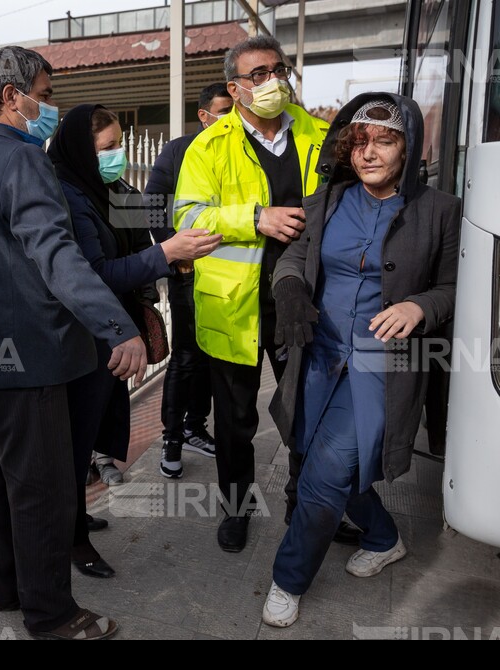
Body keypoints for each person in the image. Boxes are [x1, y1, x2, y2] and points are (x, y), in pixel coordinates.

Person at [0, 47, 149, 640]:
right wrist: (120, 327)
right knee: (45, 495)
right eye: (46, 92)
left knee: (1, 488)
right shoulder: (24, 162)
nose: (51, 107)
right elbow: (58, 258)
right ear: (13, 96)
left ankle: (11, 591)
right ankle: (54, 617)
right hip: (30, 359)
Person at [262, 94, 461, 627]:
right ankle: (383, 535)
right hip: (319, 356)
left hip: (382, 367)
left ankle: (288, 579)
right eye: (359, 142)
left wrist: (419, 306)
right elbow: (294, 258)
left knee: (323, 476)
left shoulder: (439, 210)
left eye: (385, 141)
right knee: (314, 453)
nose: (368, 153)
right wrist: (288, 291)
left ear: (410, 148)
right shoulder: (325, 200)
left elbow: (452, 288)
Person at [174, 36, 345, 553]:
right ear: (235, 88)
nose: (272, 81)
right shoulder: (208, 146)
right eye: (258, 75)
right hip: (236, 307)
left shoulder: (321, 134)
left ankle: (306, 506)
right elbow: (187, 219)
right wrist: (254, 219)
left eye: (278, 70)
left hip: (307, 299)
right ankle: (237, 509)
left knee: (307, 413)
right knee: (235, 423)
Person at [48, 104, 221, 578]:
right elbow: (95, 272)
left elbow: (145, 236)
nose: (118, 156)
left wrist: (170, 256)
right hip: (84, 336)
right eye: (108, 148)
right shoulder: (67, 196)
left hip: (117, 332)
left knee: (91, 435)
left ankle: (76, 518)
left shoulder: (115, 190)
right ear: (84, 152)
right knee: (74, 442)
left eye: (120, 144)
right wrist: (166, 254)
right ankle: (73, 541)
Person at [146, 83, 233, 479]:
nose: (230, 117)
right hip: (190, 274)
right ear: (204, 115)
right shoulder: (179, 151)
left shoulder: (240, 150)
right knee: (186, 357)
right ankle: (172, 437)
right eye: (223, 110)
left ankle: (196, 427)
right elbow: (150, 205)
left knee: (217, 357)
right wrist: (173, 251)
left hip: (234, 277)